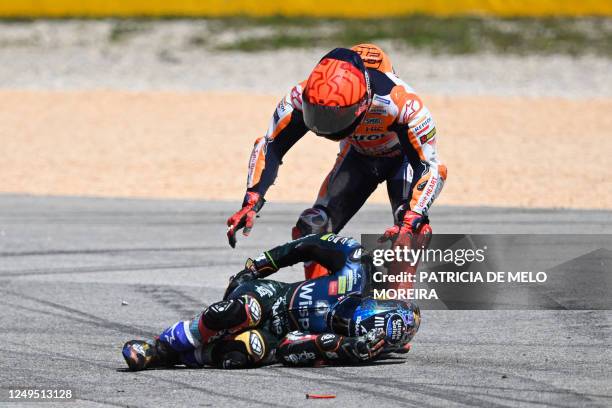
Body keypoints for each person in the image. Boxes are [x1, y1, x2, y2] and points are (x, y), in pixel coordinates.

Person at [226, 44, 447, 279]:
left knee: (410, 231)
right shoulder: (299, 95)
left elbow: (431, 167)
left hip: (402, 160)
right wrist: (252, 199)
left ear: (363, 103)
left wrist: (413, 217)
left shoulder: (402, 104)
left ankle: (399, 300)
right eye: (317, 113)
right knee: (312, 226)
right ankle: (316, 298)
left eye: (334, 116)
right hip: (357, 158)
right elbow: (271, 145)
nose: (323, 125)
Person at [122, 233, 420, 370]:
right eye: (354, 314)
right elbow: (308, 244)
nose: (344, 322)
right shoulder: (356, 266)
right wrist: (259, 266)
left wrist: (340, 348)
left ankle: (176, 358)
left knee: (240, 353)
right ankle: (159, 347)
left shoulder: (352, 342)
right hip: (272, 295)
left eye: (351, 328)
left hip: (277, 336)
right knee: (236, 313)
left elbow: (291, 348)